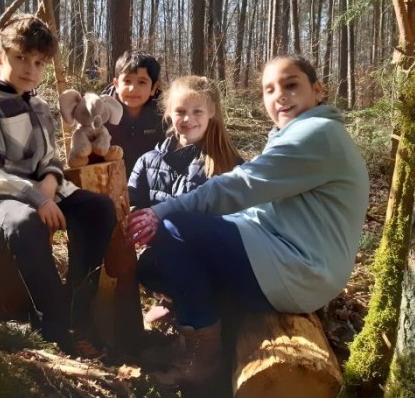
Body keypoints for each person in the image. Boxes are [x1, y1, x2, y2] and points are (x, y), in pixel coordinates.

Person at [126, 55, 370, 387]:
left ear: (317, 90)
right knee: (157, 262)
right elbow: (261, 206)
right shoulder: (299, 132)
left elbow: (241, 186)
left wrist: (162, 212)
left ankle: (203, 356)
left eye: (291, 85)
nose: (280, 95)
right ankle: (194, 336)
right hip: (284, 254)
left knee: (175, 230)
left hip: (300, 270)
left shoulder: (318, 134)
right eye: (270, 89)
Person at [0, 14, 116, 355]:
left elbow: (49, 158)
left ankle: (78, 309)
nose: (30, 69)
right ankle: (54, 327)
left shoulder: (39, 104)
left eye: (39, 62)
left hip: (40, 189)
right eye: (21, 58)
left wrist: (51, 181)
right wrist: (36, 197)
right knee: (26, 224)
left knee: (99, 209)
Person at [127, 75, 243, 326]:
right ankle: (173, 300)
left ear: (211, 112)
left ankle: (206, 319)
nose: (188, 119)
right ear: (169, 113)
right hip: (160, 254)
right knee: (146, 266)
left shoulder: (228, 163)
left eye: (197, 111)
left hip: (211, 256)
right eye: (180, 111)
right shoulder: (148, 161)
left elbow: (240, 217)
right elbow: (132, 202)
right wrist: (143, 226)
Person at [103, 50, 167, 174]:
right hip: (108, 178)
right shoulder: (102, 112)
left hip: (149, 178)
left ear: (154, 88)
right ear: (116, 84)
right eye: (127, 81)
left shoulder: (163, 115)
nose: (133, 89)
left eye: (142, 82)